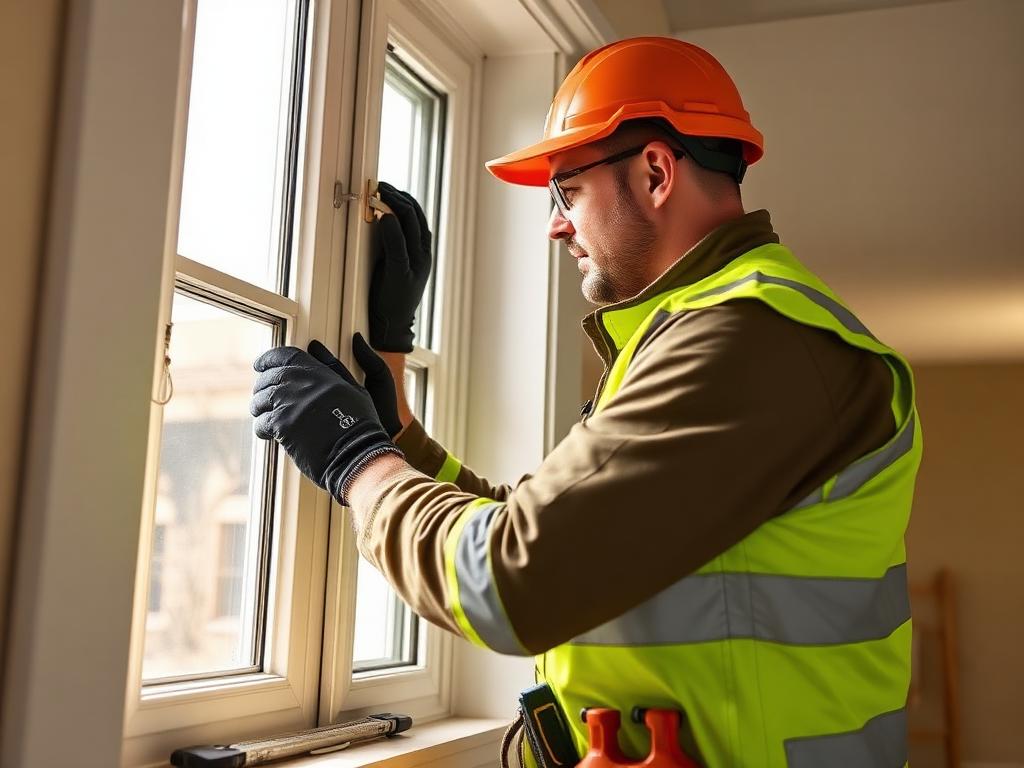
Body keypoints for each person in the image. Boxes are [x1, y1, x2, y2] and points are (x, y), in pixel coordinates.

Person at [251, 37, 921, 767]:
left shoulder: (748, 337)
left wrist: (357, 460)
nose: (554, 224)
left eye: (566, 191)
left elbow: (513, 579)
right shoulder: (706, 330)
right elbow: (553, 533)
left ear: (657, 172)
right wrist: (397, 430)